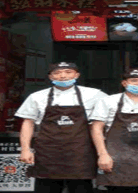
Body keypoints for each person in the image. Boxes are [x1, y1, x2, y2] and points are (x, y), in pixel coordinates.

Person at [15, 62, 107, 193]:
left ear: (77, 75)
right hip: (48, 152)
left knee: (81, 188)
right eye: (57, 73)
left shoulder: (95, 95)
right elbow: (28, 123)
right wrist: (25, 149)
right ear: (50, 77)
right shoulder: (37, 97)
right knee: (46, 188)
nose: (63, 76)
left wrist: (103, 152)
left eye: (68, 72)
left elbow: (108, 118)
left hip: (80, 153)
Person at [90, 68, 138, 193]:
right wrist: (103, 155)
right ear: (124, 83)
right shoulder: (108, 101)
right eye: (134, 80)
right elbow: (96, 128)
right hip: (116, 160)